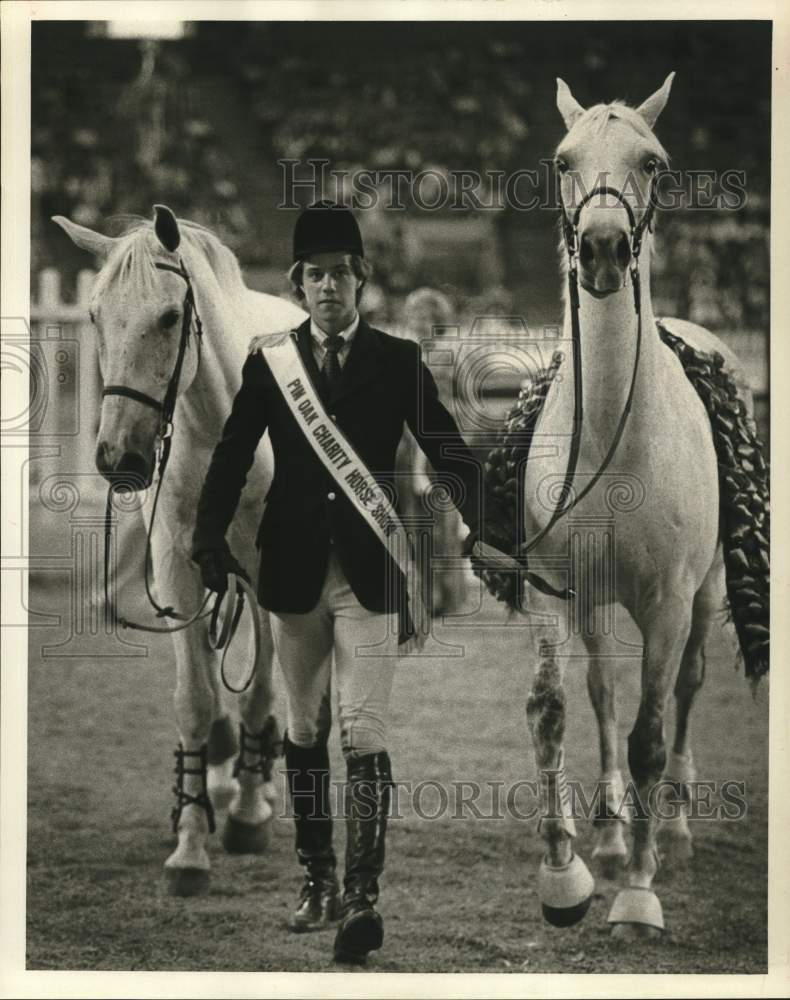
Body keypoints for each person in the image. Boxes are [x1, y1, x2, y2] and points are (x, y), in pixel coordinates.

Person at [191, 200, 481, 964]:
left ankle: (363, 897)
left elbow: (447, 449)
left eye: (340, 276)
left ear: (361, 281)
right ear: (299, 282)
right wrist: (206, 542)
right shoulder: (269, 362)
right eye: (314, 277)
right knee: (303, 730)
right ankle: (316, 881)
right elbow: (229, 457)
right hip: (291, 577)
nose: (327, 289)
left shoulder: (398, 361)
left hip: (369, 574)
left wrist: (495, 523)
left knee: (366, 733)